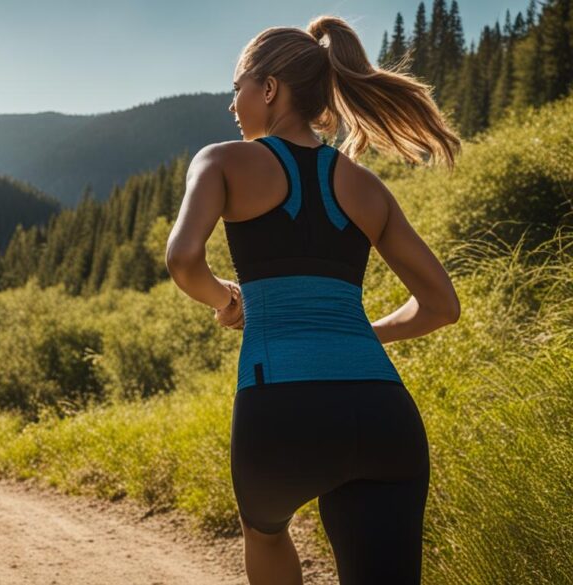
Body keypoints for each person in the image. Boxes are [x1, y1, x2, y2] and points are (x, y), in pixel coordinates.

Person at [164, 14, 463, 585]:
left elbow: (183, 259)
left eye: (238, 89)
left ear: (269, 88)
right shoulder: (366, 186)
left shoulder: (221, 161)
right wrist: (361, 334)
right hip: (383, 416)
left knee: (265, 530)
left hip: (282, 407)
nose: (233, 106)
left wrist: (225, 297)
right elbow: (442, 306)